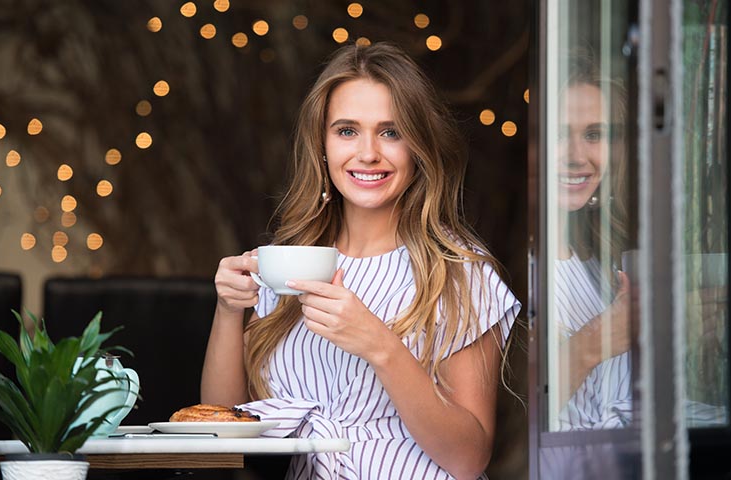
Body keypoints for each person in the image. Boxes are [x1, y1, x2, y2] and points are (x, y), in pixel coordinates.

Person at [200, 42, 521, 479]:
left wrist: (379, 344)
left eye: (391, 132)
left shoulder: (457, 270)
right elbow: (219, 432)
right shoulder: (291, 263)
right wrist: (228, 309)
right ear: (322, 144)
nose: (368, 153)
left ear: (419, 146)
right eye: (347, 130)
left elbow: (468, 459)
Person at [551, 51, 634, 431]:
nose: (576, 156)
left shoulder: (598, 262)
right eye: (557, 134)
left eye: (594, 135)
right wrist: (591, 343)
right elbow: (512, 418)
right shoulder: (508, 268)